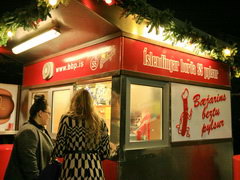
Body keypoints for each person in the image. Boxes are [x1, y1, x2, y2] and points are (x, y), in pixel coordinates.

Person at [51, 88, 110, 179]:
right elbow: (106, 153)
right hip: (94, 171)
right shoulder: (100, 121)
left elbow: (59, 151)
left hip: (71, 170)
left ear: (74, 102)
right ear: (91, 103)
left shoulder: (67, 119)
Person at [4, 95, 54, 180]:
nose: (50, 117)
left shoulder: (40, 130)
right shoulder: (28, 131)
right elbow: (29, 165)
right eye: (48, 113)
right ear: (40, 113)